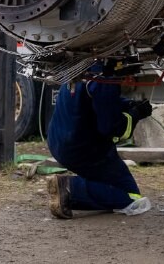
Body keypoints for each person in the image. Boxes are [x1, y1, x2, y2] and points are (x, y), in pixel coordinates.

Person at [46, 67, 153, 219]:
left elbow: (99, 102)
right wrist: (135, 115)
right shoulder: (107, 77)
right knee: (130, 195)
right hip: (86, 151)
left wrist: (128, 105)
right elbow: (112, 128)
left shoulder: (85, 64)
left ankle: (68, 194)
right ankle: (71, 189)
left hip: (58, 142)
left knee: (105, 185)